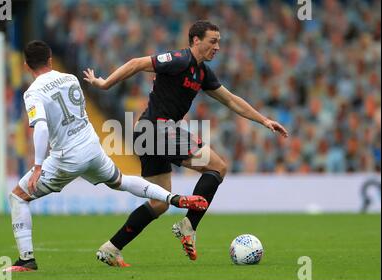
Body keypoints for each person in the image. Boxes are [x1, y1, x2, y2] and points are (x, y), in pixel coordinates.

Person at [83, 20, 288, 265]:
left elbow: (231, 100)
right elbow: (137, 63)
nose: (218, 47)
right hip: (158, 129)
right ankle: (188, 226)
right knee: (218, 167)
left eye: (219, 42)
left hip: (148, 133)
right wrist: (104, 84)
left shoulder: (203, 73)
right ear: (195, 41)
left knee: (159, 203)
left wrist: (264, 120)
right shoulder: (179, 60)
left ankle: (111, 248)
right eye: (213, 41)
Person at [4, 40, 209, 272]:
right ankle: (172, 198)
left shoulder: (33, 92)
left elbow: (40, 127)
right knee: (120, 180)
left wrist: (38, 165)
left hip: (66, 157)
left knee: (18, 197)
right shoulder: (70, 78)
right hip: (92, 147)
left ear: (26, 66)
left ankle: (26, 259)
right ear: (50, 60)